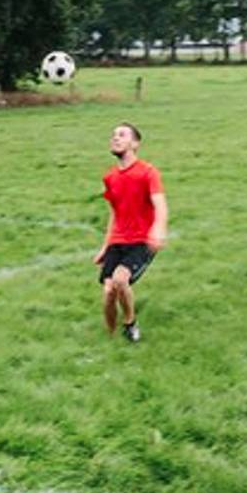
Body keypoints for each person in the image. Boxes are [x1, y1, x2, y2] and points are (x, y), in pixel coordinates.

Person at [93, 123, 167, 344]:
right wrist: (105, 247)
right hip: (118, 241)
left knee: (120, 279)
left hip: (141, 241)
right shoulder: (110, 178)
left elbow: (160, 205)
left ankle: (130, 323)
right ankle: (110, 338)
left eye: (122, 135)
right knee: (108, 294)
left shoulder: (148, 172)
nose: (115, 138)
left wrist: (158, 229)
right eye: (113, 135)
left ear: (135, 144)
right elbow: (114, 214)